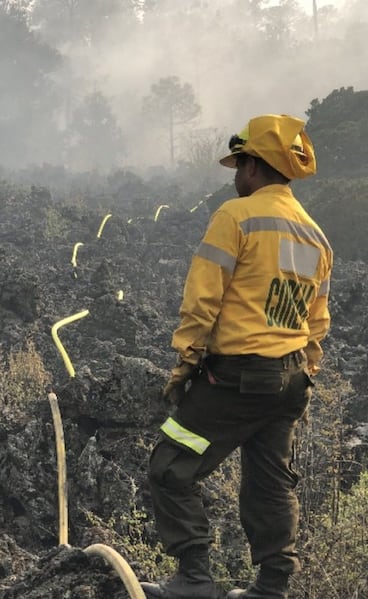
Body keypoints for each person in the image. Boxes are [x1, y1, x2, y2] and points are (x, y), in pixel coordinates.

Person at [140, 114, 332, 599]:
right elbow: (317, 320)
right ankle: (270, 589)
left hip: (238, 378)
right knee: (270, 485)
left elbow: (203, 298)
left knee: (169, 466)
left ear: (253, 166)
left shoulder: (235, 217)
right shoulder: (315, 236)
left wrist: (187, 360)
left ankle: (194, 579)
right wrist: (305, 371)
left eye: (238, 164)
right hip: (290, 381)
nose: (234, 176)